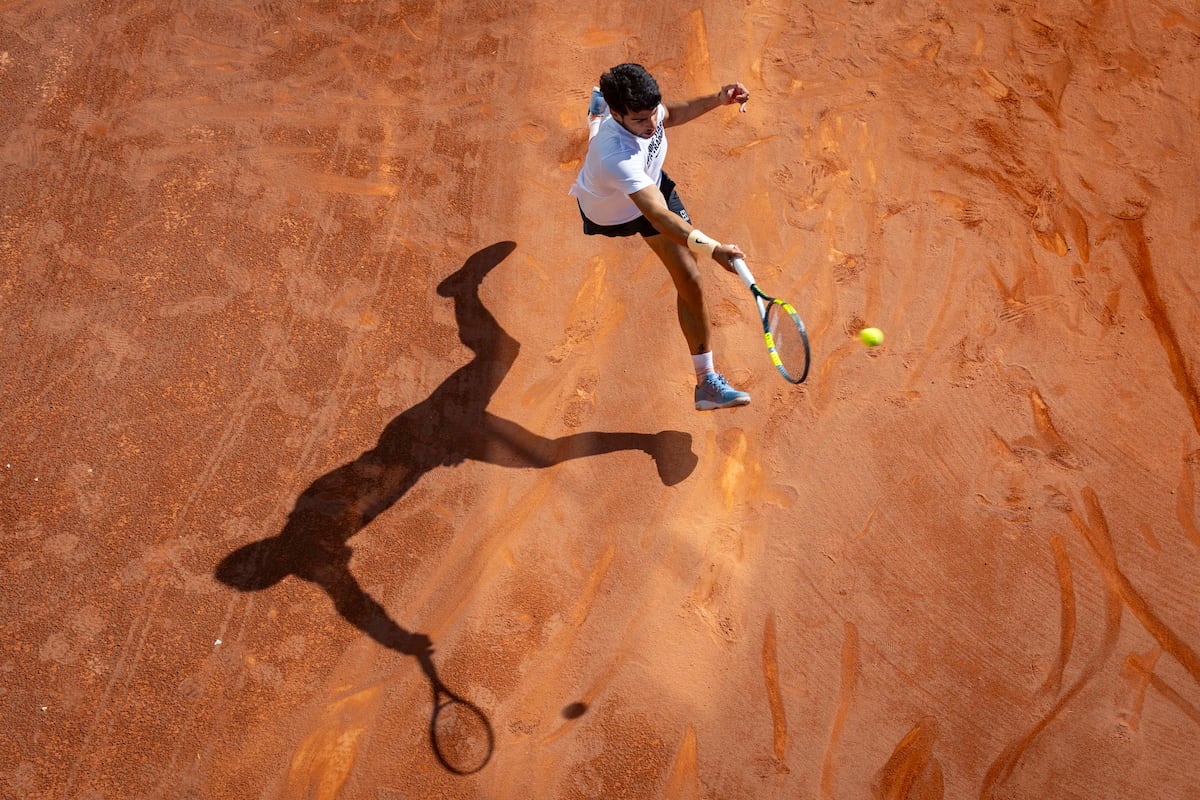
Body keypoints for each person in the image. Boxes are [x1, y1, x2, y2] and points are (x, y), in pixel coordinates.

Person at [570, 63, 752, 411]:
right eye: (640, 119)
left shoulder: (647, 116)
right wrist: (715, 249)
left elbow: (673, 114)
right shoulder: (616, 156)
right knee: (603, 146)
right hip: (613, 211)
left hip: (648, 183)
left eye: (652, 113)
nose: (651, 125)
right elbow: (657, 216)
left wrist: (718, 98)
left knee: (689, 277)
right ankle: (596, 120)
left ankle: (706, 384)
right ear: (619, 113)